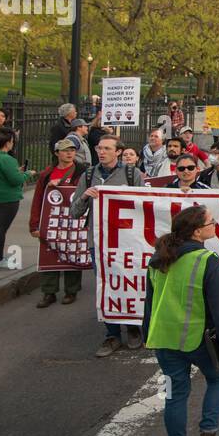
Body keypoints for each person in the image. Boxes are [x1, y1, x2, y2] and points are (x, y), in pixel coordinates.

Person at [143, 203, 219, 436]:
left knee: (174, 396)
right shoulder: (207, 261)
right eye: (212, 222)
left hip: (164, 340)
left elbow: (150, 303)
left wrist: (147, 334)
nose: (216, 225)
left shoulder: (158, 258)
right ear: (198, 232)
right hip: (198, 339)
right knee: (218, 379)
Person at [71, 134, 146, 356]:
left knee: (128, 283)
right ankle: (112, 334)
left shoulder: (132, 174)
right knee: (106, 286)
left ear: (118, 151)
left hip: (128, 242)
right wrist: (85, 196)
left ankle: (133, 328)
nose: (101, 152)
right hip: (99, 242)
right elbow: (74, 211)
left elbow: (147, 206)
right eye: (99, 148)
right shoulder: (89, 174)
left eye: (106, 148)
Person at [31, 138, 88, 307]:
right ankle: (49, 292)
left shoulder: (81, 171)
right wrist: (34, 225)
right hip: (52, 221)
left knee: (73, 253)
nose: (70, 153)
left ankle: (71, 291)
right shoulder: (47, 174)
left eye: (72, 150)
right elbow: (38, 200)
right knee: (49, 254)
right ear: (57, 153)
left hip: (74, 220)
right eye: (65, 150)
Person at [0, 128, 35, 270]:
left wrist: (16, 171)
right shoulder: (7, 159)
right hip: (7, 199)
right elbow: (16, 180)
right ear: (8, 143)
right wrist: (27, 173)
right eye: (12, 141)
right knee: (0, 229)